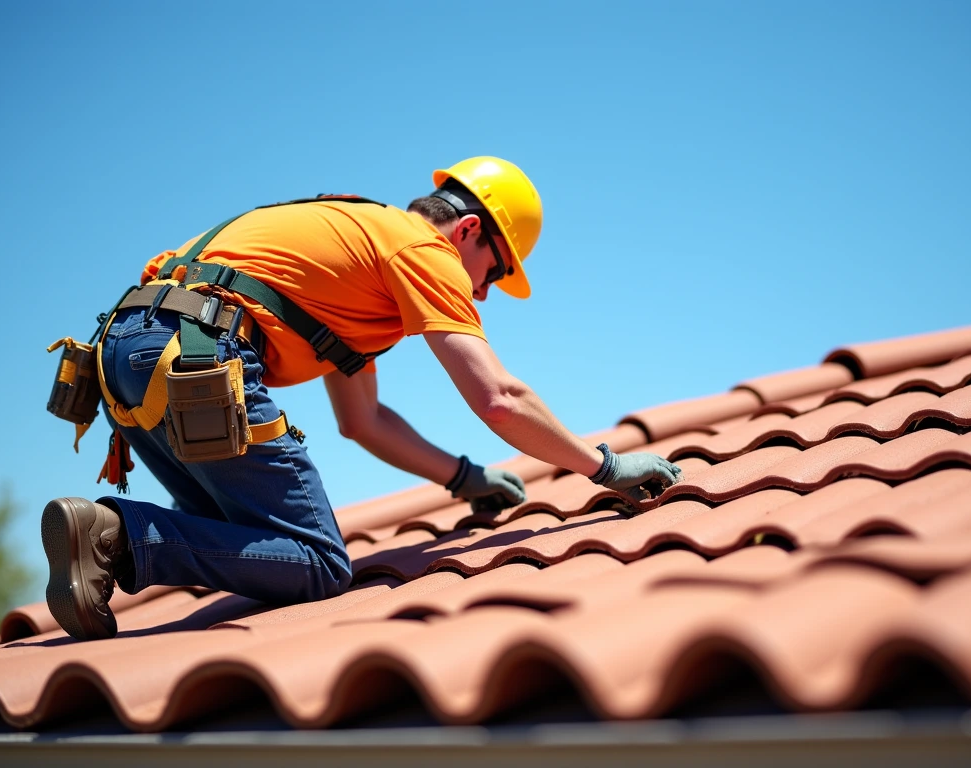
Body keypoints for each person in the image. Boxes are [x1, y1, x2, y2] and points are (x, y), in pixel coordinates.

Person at [41, 157, 683, 641]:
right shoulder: (422, 251)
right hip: (199, 356)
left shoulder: (358, 249)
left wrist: (465, 479)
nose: (484, 294)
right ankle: (116, 537)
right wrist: (604, 466)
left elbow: (362, 420)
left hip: (126, 350)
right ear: (466, 232)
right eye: (496, 271)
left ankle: (109, 542)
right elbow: (499, 397)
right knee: (319, 562)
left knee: (249, 544)